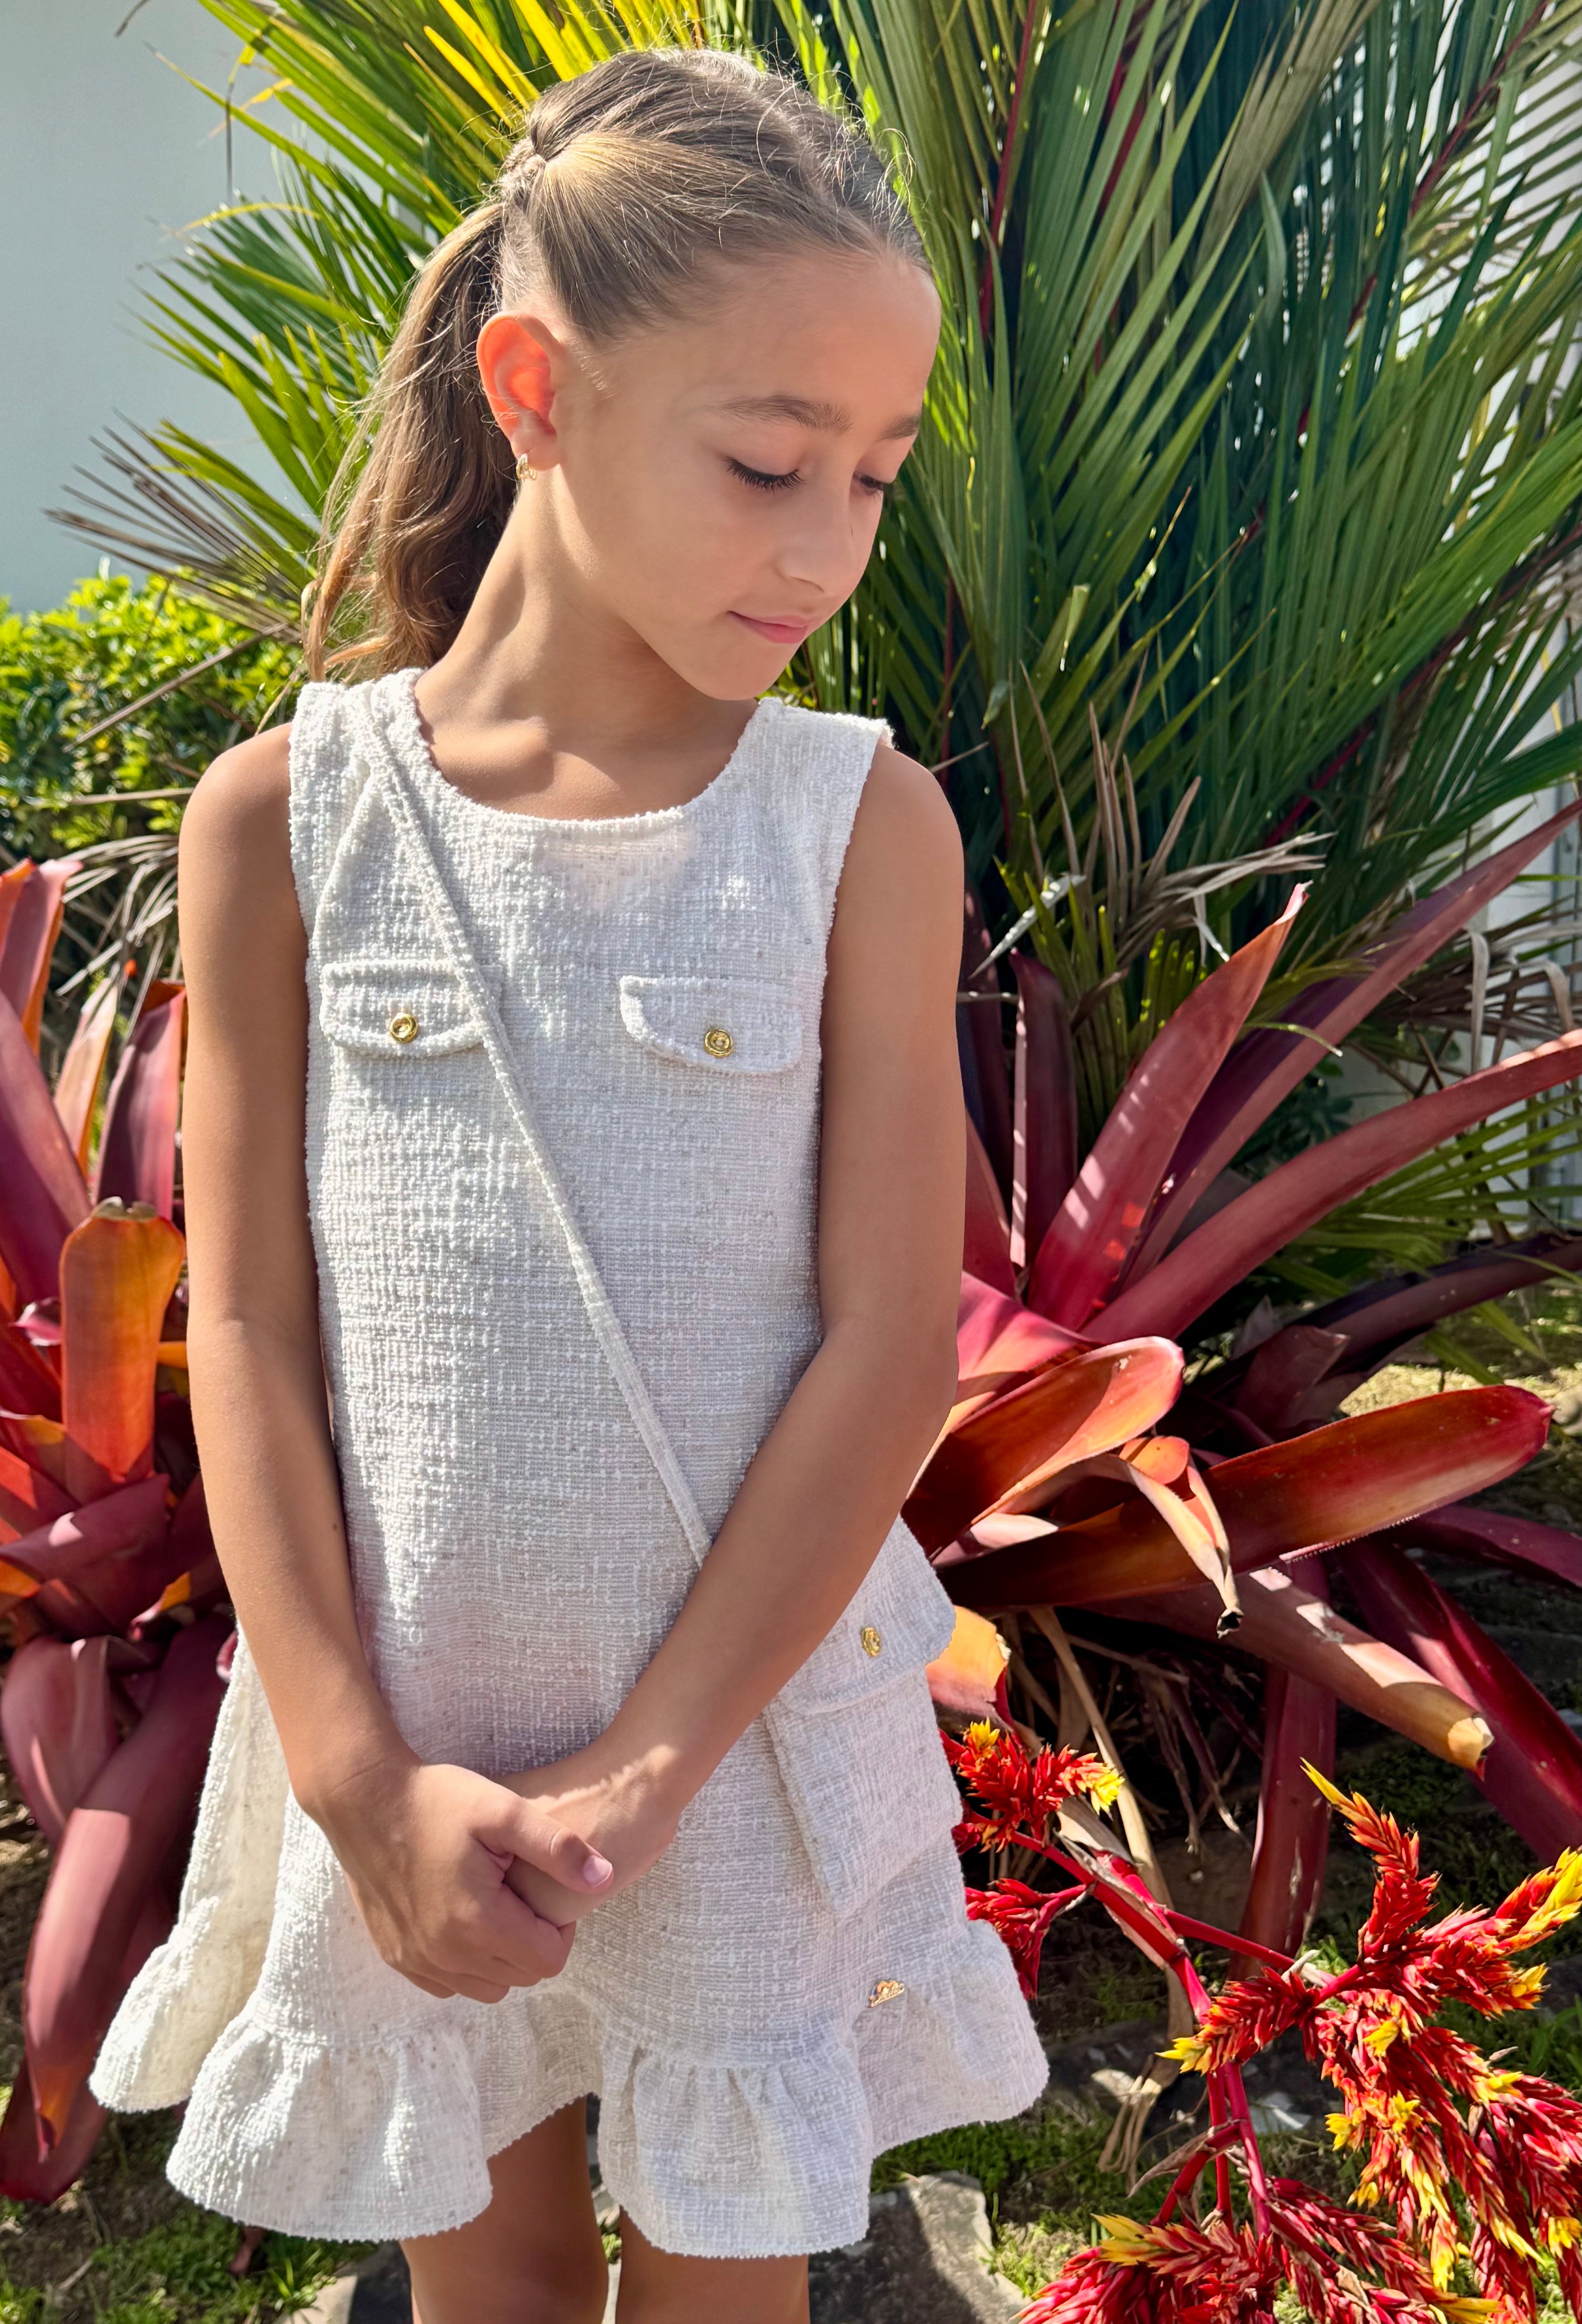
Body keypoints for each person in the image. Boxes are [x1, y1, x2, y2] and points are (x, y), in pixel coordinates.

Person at [93, 46, 1046, 2324]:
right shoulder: (282, 820)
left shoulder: (853, 825)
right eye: (764, 463)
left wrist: (638, 1776)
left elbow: (886, 1341)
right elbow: (249, 1323)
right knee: (487, 2287)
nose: (828, 546)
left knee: (729, 2285)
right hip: (410, 1758)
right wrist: (352, 1776)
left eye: (877, 479)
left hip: (720, 1746)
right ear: (536, 385)